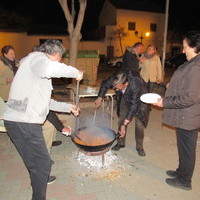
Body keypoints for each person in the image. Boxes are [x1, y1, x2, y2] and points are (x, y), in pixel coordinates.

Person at [3, 39, 83, 200]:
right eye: (59, 59)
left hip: (15, 122)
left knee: (34, 163)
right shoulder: (38, 59)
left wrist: (68, 107)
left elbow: (46, 103)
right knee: (43, 164)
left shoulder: (33, 70)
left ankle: (37, 183)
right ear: (54, 54)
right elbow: (49, 67)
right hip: (25, 123)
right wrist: (76, 72)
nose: (59, 62)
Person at [153, 31, 200, 190]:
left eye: (185, 46)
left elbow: (190, 97)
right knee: (183, 148)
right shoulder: (192, 62)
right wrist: (171, 86)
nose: (183, 50)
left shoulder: (196, 66)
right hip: (184, 116)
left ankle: (185, 181)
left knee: (187, 151)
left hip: (189, 117)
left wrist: (164, 102)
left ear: (193, 47)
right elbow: (185, 85)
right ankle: (181, 172)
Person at [95, 70, 150, 156]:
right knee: (121, 119)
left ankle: (139, 147)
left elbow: (134, 105)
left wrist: (126, 122)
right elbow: (105, 84)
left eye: (117, 87)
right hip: (125, 96)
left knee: (139, 125)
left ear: (126, 83)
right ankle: (121, 143)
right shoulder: (116, 77)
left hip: (140, 100)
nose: (115, 89)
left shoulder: (135, 84)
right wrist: (100, 97)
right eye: (114, 86)